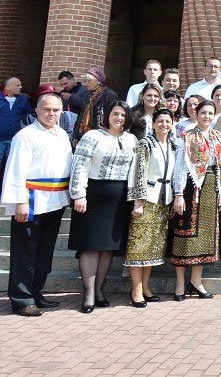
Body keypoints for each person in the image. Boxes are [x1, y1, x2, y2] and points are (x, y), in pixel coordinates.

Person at [1, 92, 72, 317]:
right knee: (25, 252)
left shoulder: (61, 134)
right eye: (47, 109)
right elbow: (16, 169)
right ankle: (21, 298)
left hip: (55, 200)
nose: (51, 114)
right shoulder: (26, 135)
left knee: (44, 252)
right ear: (37, 111)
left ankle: (35, 291)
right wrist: (19, 202)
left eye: (56, 110)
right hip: (32, 201)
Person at [68, 101, 138, 313]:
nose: (119, 118)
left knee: (108, 247)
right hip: (93, 195)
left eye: (123, 115)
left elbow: (135, 170)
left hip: (118, 200)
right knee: (90, 245)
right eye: (115, 114)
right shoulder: (93, 136)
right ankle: (88, 292)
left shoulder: (131, 139)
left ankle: (99, 290)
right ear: (108, 115)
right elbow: (80, 165)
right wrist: (79, 194)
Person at [171, 100, 221, 301]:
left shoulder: (218, 137)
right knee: (184, 233)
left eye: (210, 113)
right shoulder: (186, 136)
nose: (207, 116)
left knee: (204, 236)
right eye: (203, 112)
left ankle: (196, 280)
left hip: (211, 187)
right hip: (189, 187)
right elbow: (179, 166)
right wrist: (178, 193)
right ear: (196, 113)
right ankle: (179, 282)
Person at [125, 109, 177, 307]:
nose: (164, 124)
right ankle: (136, 289)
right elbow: (138, 172)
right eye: (160, 121)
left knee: (153, 247)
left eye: (168, 121)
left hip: (163, 202)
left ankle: (145, 287)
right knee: (138, 246)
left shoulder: (172, 145)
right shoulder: (145, 144)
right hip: (147, 200)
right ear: (153, 124)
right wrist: (137, 202)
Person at [73, 67, 118, 144]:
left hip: (101, 137)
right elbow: (81, 115)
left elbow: (111, 117)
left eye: (89, 81)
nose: (86, 84)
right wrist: (75, 136)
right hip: (84, 135)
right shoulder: (87, 96)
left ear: (98, 82)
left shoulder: (109, 95)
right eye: (85, 81)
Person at [0, 77, 33, 170]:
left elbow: (29, 116)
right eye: (17, 85)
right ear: (8, 87)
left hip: (15, 140)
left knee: (11, 167)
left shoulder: (23, 100)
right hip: (0, 139)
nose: (20, 87)